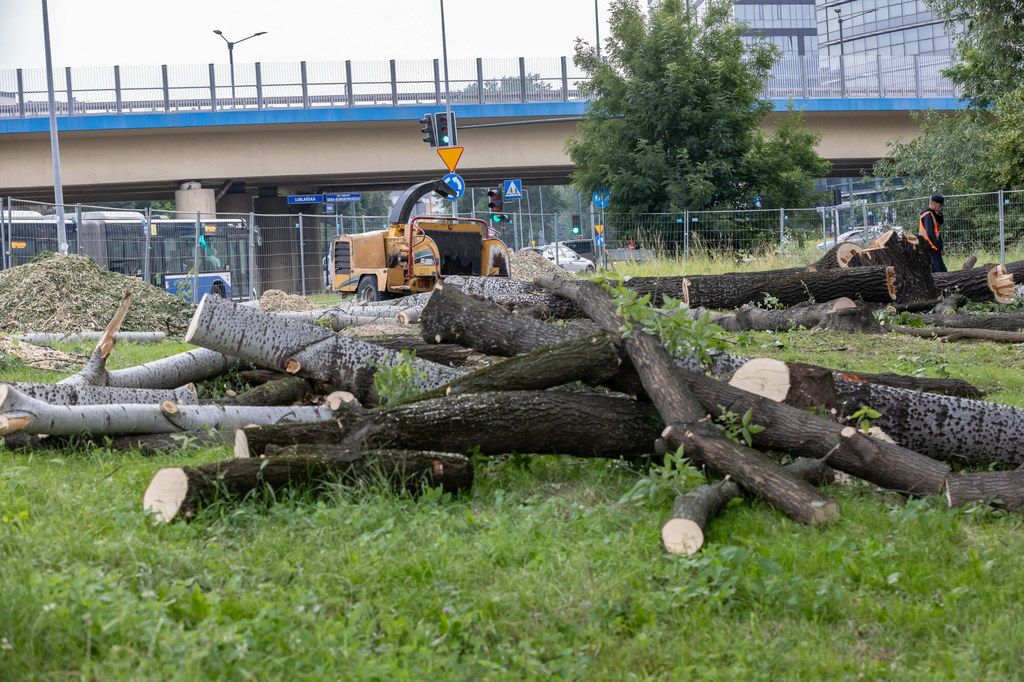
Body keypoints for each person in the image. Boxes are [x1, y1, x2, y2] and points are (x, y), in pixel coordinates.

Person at [919, 194, 947, 272]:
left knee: (936, 271)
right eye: (940, 205)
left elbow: (940, 222)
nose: (941, 207)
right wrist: (939, 248)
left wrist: (940, 213)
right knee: (940, 271)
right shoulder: (927, 215)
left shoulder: (931, 213)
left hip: (933, 247)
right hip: (931, 247)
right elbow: (930, 234)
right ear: (934, 203)